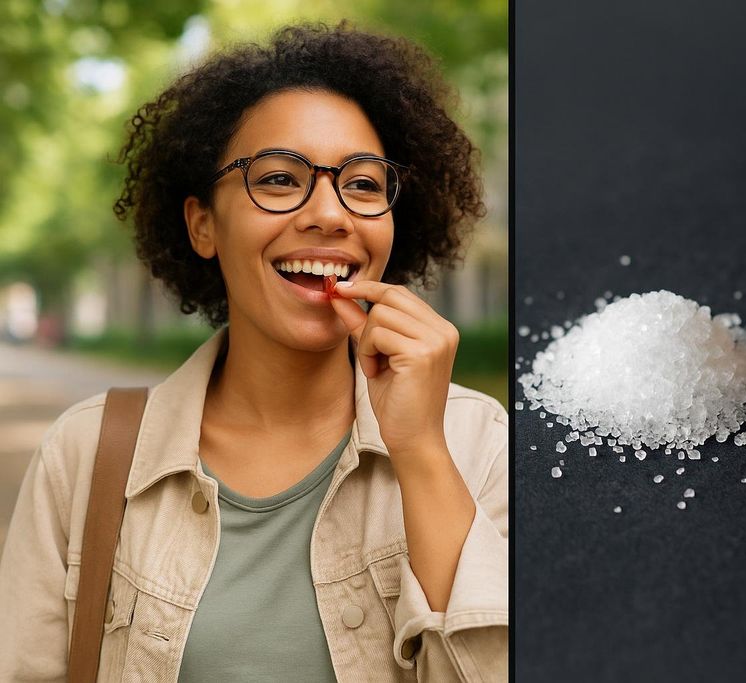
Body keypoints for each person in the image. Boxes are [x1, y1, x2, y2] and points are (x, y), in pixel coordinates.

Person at [0, 22, 508, 681]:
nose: (331, 213)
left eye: (362, 183)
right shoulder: (84, 454)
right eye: (276, 178)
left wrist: (421, 453)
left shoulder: (480, 443)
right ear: (203, 225)